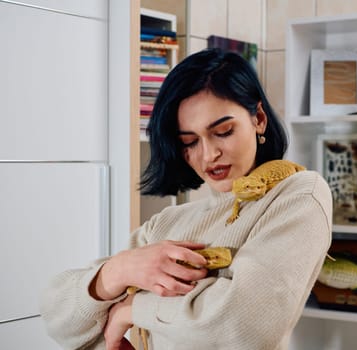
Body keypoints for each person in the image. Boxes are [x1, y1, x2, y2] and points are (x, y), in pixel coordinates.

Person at [40, 48, 333, 350]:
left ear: (258, 118)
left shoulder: (300, 194)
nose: (208, 155)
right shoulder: (167, 223)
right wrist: (120, 270)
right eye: (189, 142)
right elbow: (58, 318)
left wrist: (131, 310)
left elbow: (242, 326)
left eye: (223, 131)